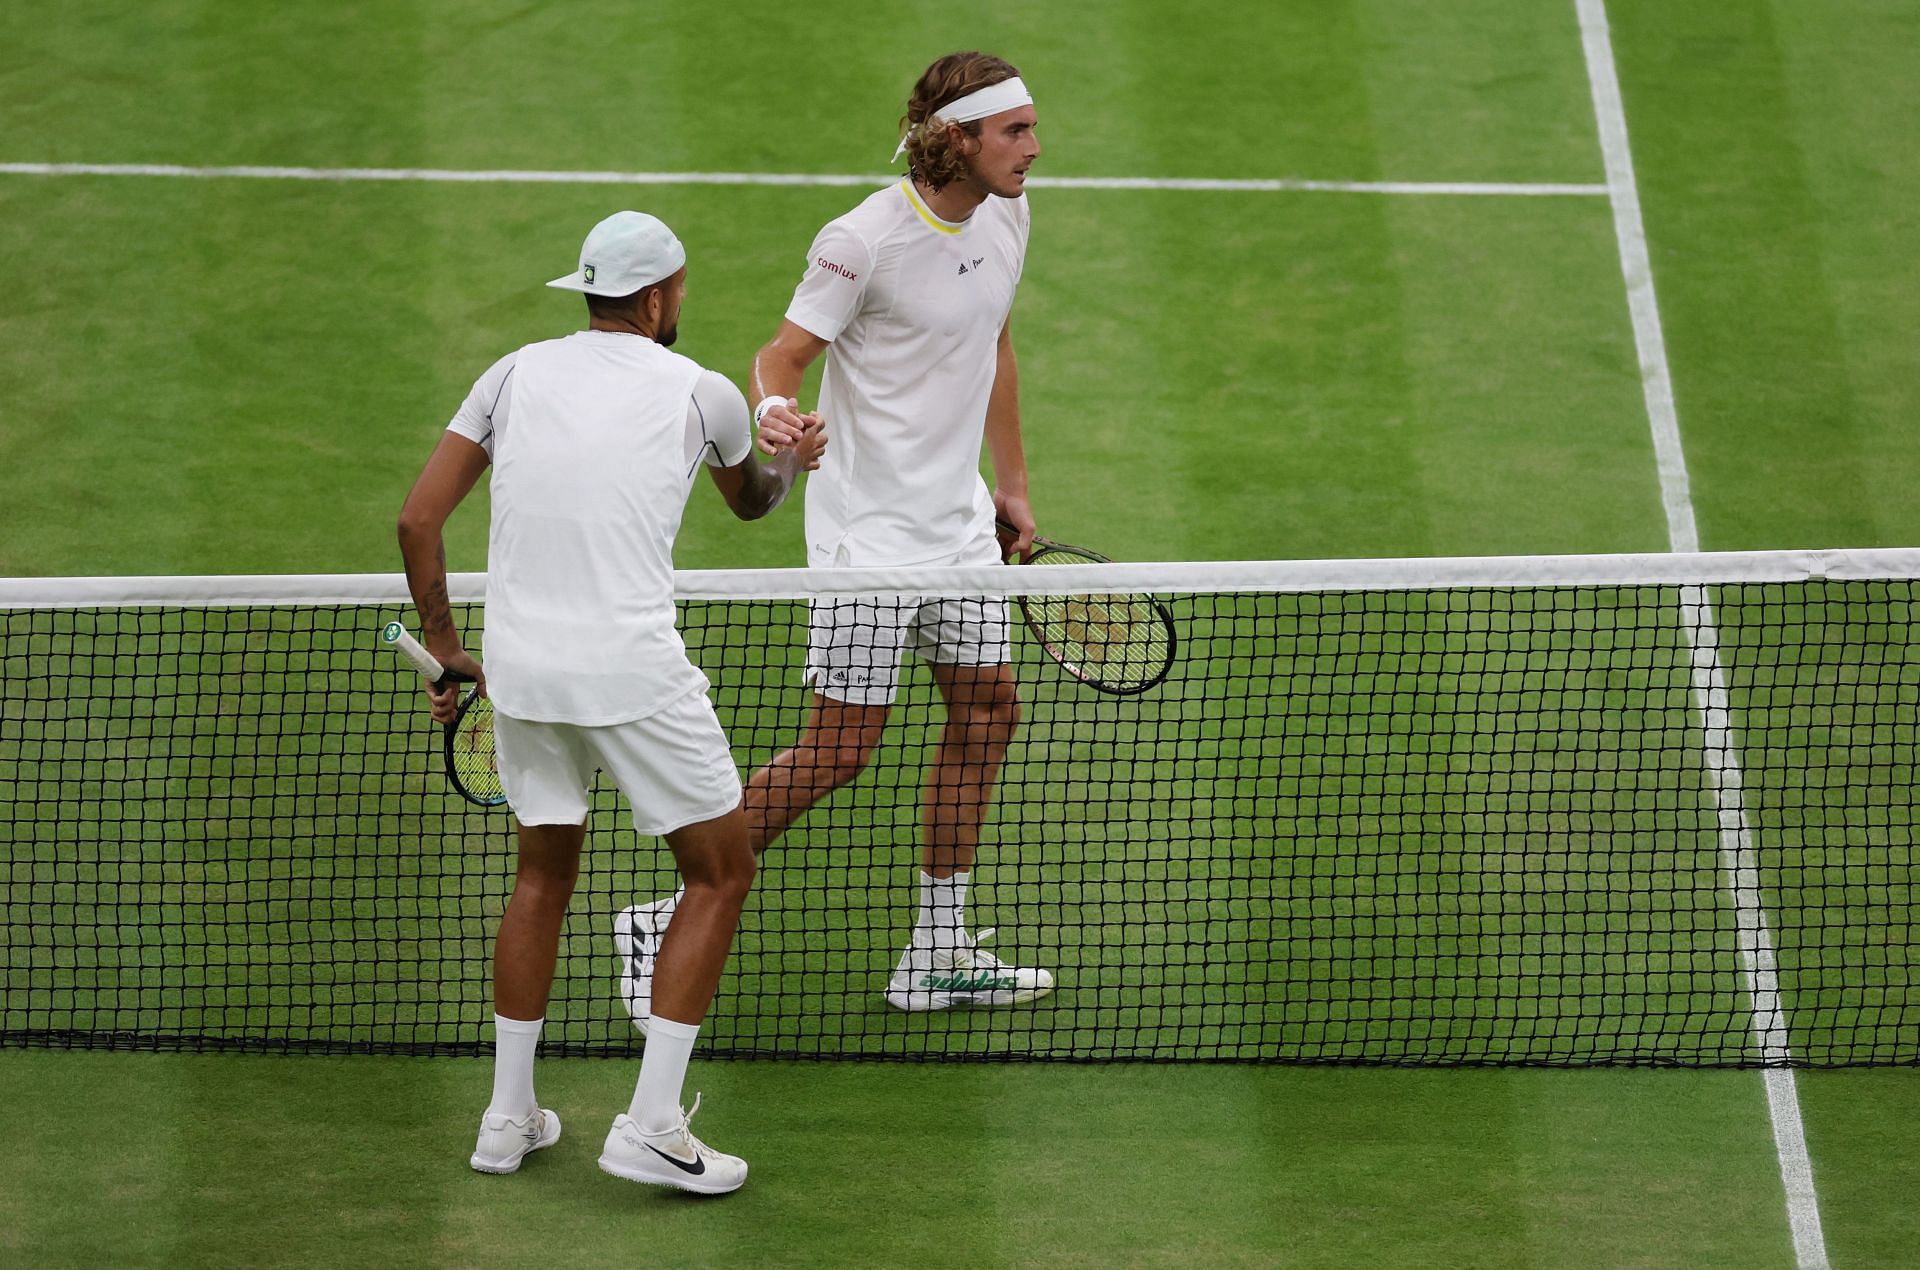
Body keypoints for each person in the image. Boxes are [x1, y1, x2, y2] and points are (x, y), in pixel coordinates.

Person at [614, 50, 1051, 1024]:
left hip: (958, 524)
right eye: (1015, 130)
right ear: (957, 139)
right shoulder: (863, 242)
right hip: (868, 538)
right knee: (841, 747)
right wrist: (776, 411)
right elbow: (783, 353)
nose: (1034, 146)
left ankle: (937, 950)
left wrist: (1011, 486)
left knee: (989, 714)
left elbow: (996, 341)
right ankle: (659, 913)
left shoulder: (1009, 212)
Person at [397, 209, 824, 1194]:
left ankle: (508, 1117)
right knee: (720, 872)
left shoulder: (511, 373)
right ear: (660, 296)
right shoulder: (703, 390)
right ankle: (652, 1122)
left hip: (524, 672)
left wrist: (454, 650)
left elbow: (419, 520)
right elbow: (752, 501)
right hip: (631, 672)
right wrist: (794, 463)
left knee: (542, 876)